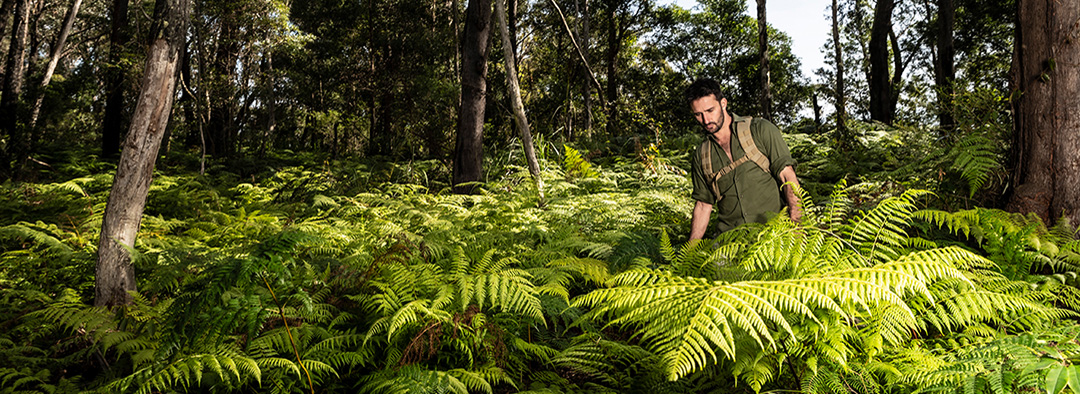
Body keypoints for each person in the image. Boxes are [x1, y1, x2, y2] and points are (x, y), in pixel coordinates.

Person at [685, 78, 801, 240]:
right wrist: (688, 254)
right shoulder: (702, 155)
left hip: (774, 237)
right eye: (698, 114)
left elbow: (787, 177)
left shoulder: (760, 130)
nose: (705, 120)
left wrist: (797, 225)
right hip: (730, 243)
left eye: (710, 110)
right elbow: (704, 205)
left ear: (723, 103)